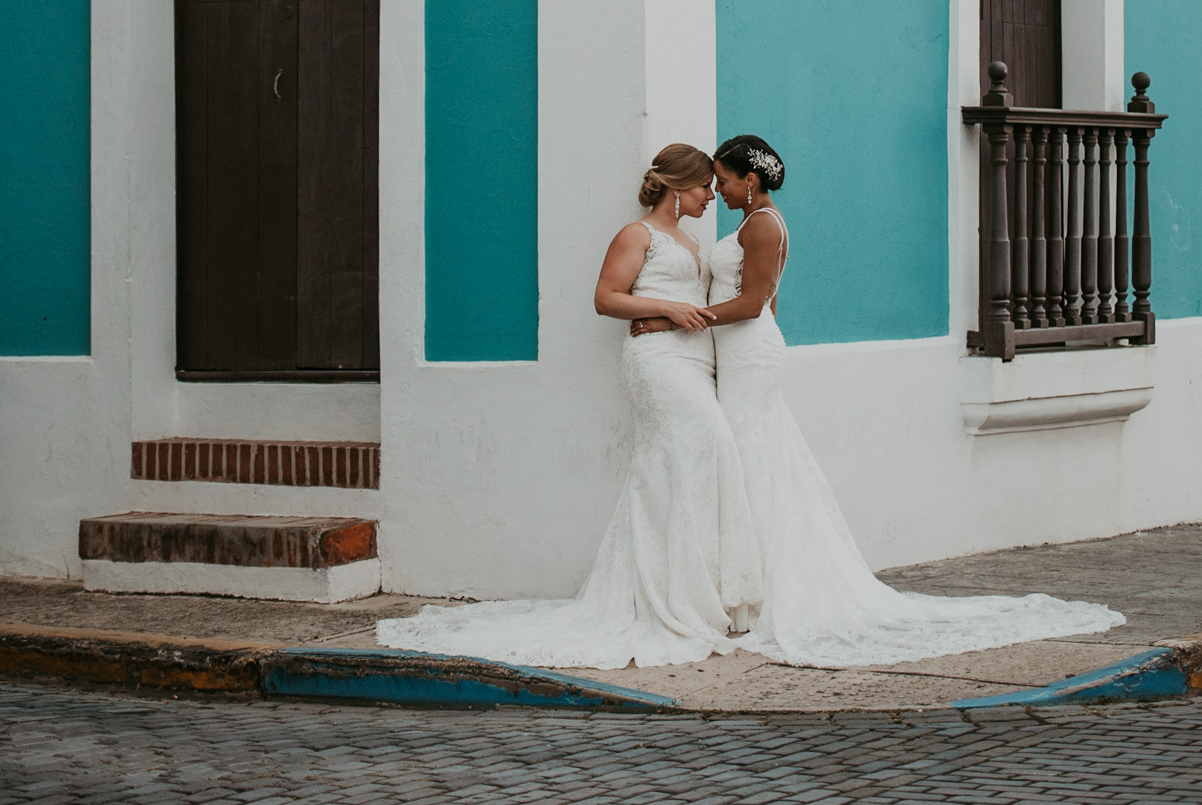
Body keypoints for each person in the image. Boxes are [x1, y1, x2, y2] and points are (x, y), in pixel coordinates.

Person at [696, 132, 1124, 665]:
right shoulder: (750, 222)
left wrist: (689, 317)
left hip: (748, 351)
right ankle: (743, 586)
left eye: (724, 178)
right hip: (744, 356)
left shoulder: (762, 224)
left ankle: (757, 594)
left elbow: (757, 302)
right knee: (751, 460)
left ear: (750, 179)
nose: (718, 188)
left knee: (753, 461)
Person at [377, 144, 762, 668]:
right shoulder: (637, 234)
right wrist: (666, 307)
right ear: (676, 188)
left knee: (692, 465)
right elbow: (606, 297)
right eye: (702, 188)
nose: (711, 195)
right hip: (657, 363)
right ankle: (669, 599)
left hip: (695, 362)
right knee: (697, 451)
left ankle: (697, 592)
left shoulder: (690, 240)